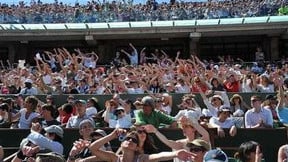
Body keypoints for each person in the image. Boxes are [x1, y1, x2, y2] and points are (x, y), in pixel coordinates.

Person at [88, 129, 196, 162]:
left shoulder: (141, 158)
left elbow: (159, 156)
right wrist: (112, 135)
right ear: (121, 143)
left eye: (134, 140)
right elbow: (93, 148)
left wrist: (175, 153)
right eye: (127, 139)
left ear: (137, 147)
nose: (130, 140)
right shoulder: (114, 158)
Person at [144, 116, 210, 162]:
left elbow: (206, 135)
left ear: (194, 129)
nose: (183, 129)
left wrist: (191, 122)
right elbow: (167, 142)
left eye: (186, 126)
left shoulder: (201, 142)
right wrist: (155, 131)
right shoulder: (180, 143)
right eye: (182, 127)